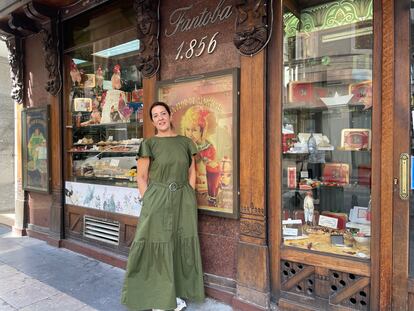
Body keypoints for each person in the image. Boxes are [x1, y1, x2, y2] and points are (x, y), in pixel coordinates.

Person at [121, 102, 205, 311]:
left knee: (178, 243)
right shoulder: (149, 143)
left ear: (169, 115)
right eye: (155, 115)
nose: (160, 118)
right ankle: (158, 297)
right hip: (157, 198)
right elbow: (141, 177)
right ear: (152, 121)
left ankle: (174, 294)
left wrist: (189, 194)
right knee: (157, 242)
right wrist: (148, 199)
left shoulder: (185, 142)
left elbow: (191, 171)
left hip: (183, 199)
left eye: (163, 113)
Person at [181, 106, 220, 206]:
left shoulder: (208, 148)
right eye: (187, 129)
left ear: (202, 131)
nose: (190, 134)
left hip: (202, 189)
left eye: (194, 130)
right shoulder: (182, 145)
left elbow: (211, 168)